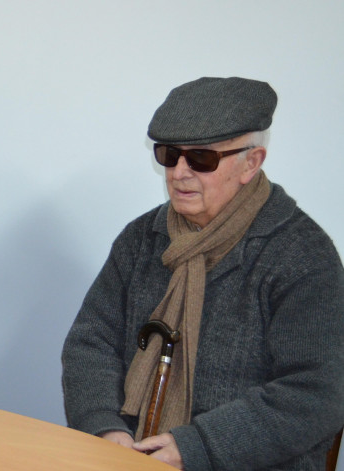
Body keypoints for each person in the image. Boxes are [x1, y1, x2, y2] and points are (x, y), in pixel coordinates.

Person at [61, 77, 344, 470]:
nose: (178, 173)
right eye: (169, 154)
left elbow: (316, 393)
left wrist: (199, 447)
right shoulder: (143, 238)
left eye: (201, 159)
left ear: (252, 162)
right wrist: (106, 430)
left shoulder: (302, 256)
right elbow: (91, 341)